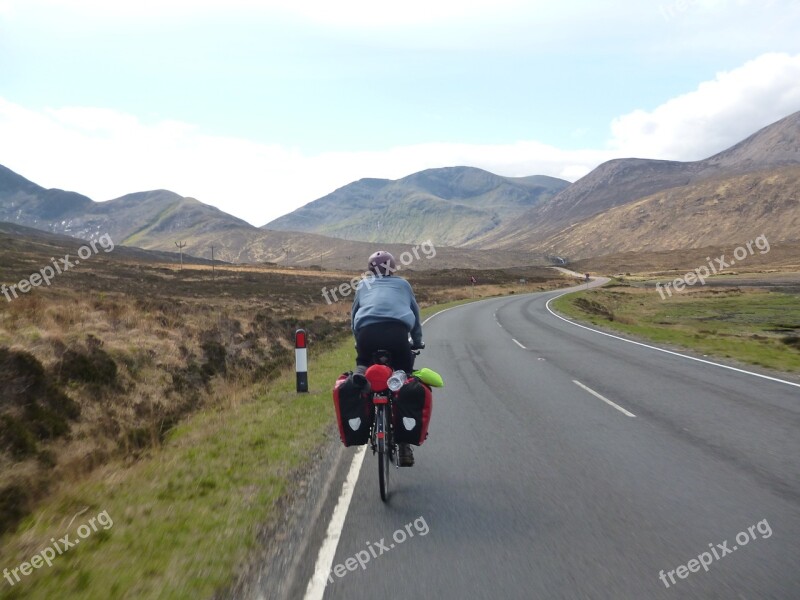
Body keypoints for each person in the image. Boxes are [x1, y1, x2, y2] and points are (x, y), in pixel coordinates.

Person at [351, 250, 423, 466]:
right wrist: (417, 340)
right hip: (397, 334)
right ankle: (403, 446)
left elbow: (354, 315)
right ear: (392, 267)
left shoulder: (363, 285)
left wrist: (359, 339)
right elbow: (416, 315)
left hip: (367, 334)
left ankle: (360, 377)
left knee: (363, 362)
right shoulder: (403, 285)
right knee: (403, 379)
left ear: (369, 268)